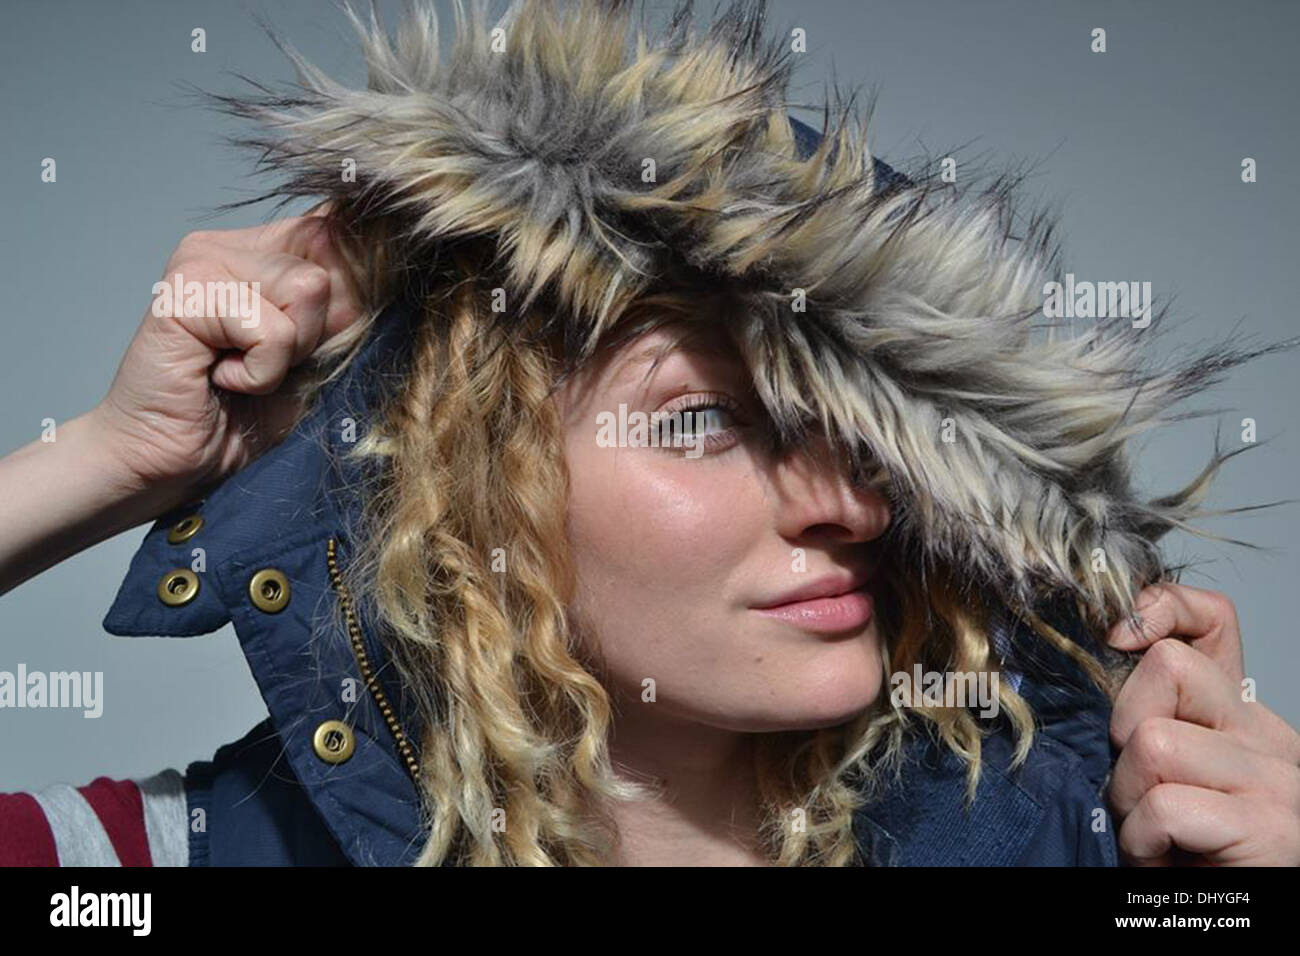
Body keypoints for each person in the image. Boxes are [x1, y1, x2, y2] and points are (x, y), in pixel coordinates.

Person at [2, 0, 1298, 866]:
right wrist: (113, 461)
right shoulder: (167, 861)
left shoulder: (1094, 845)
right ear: (472, 482)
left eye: (856, 428)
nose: (845, 504)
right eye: (703, 421)